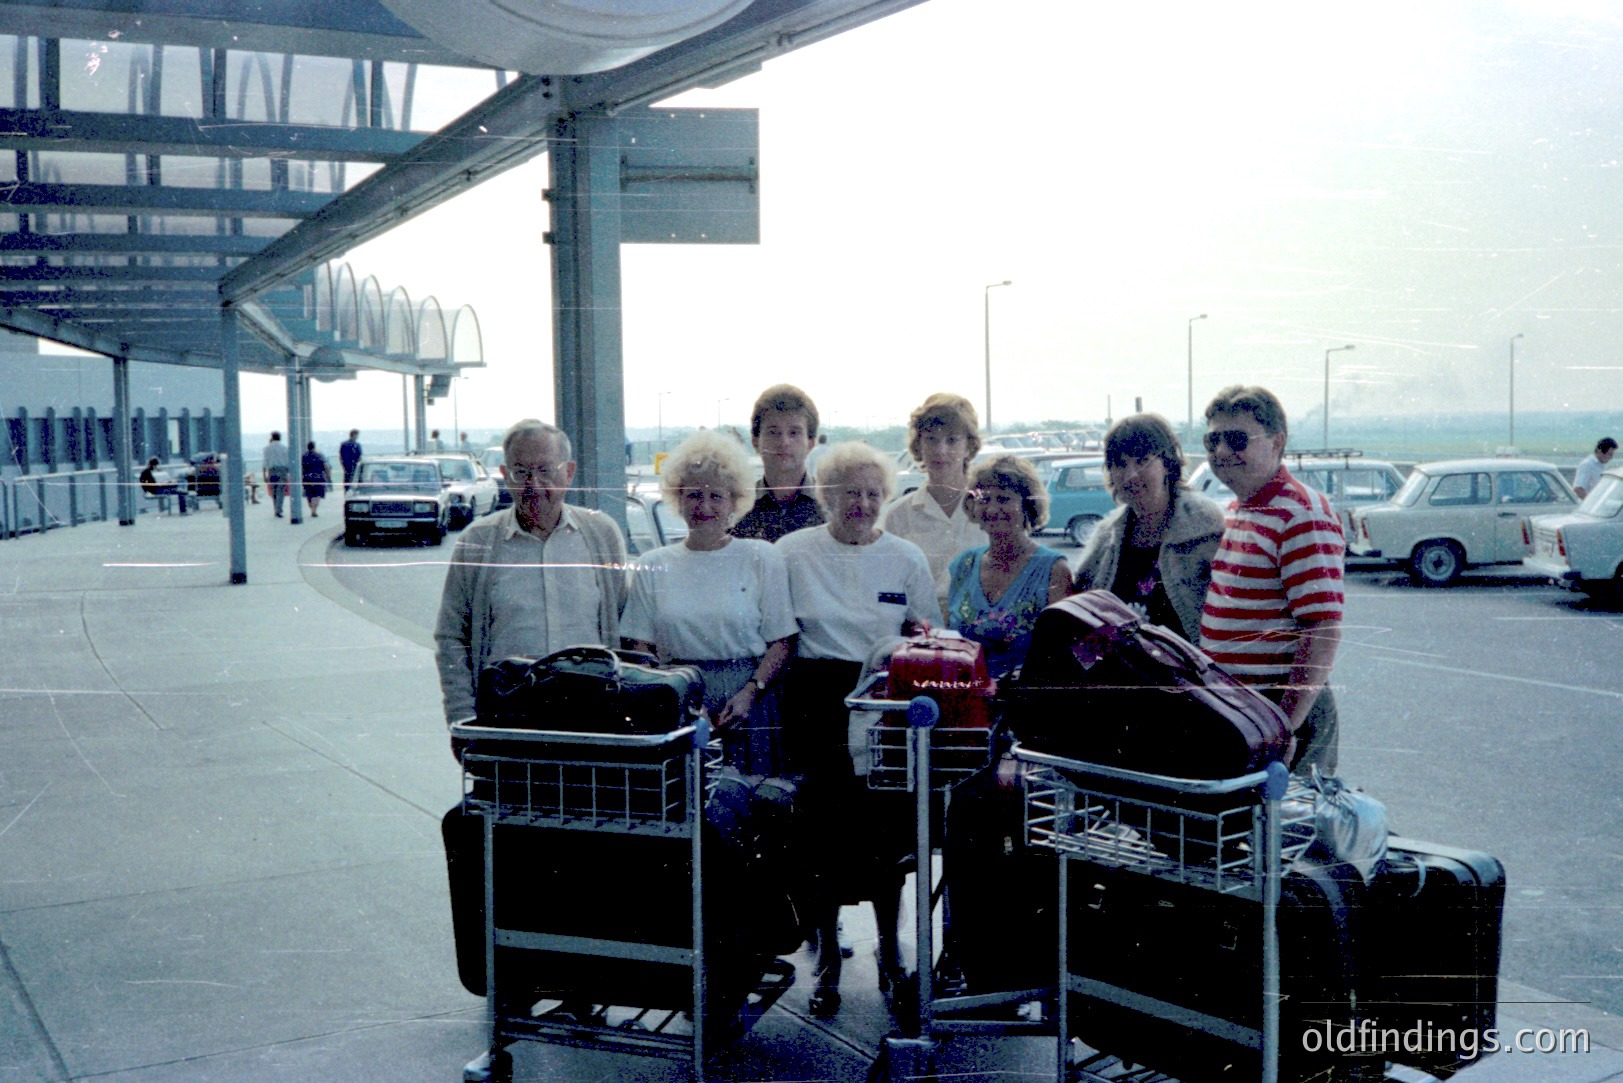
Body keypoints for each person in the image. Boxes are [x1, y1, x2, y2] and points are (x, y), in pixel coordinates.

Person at [777, 441, 941, 1017]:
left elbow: (928, 632)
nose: (863, 503)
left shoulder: (905, 556)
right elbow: (780, 634)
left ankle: (891, 956)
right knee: (819, 838)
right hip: (815, 704)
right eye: (850, 492)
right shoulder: (792, 552)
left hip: (883, 708)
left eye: (874, 493)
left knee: (884, 842)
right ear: (826, 495)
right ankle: (827, 960)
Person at [621, 430, 797, 775]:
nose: (704, 507)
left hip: (749, 701)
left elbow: (782, 640)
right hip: (674, 697)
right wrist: (680, 699)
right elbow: (640, 644)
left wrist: (750, 692)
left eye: (716, 496)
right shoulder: (653, 563)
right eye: (693, 496)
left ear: (734, 501)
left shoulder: (761, 557)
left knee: (750, 802)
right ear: (677, 499)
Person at [434, 418, 629, 728]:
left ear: (568, 473)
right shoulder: (477, 541)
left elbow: (624, 626)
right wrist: (462, 716)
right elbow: (451, 637)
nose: (534, 486)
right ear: (504, 476)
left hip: (593, 712)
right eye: (521, 472)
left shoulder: (602, 533)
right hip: (505, 714)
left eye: (545, 471)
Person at [1198, 386, 1345, 773]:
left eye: (1237, 439)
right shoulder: (1239, 510)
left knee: (1287, 832)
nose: (1222, 452)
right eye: (1213, 440)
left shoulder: (1301, 514)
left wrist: (1284, 727)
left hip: (1280, 718)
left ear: (1277, 442)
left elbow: (1322, 629)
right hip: (1245, 715)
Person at [1072, 414, 1226, 643]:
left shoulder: (1208, 530)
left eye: (1142, 460)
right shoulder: (1105, 539)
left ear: (1167, 463)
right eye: (1120, 464)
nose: (1131, 474)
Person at [946, 455, 1070, 679]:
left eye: (1003, 499)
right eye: (984, 499)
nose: (992, 509)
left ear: (1027, 506)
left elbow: (1061, 655)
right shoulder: (963, 566)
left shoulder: (1054, 570)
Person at [881, 392, 989, 612]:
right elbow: (887, 592)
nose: (941, 450)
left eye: (952, 440)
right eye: (931, 439)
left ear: (968, 446)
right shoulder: (898, 515)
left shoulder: (990, 509)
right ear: (918, 445)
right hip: (921, 636)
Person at [730, 384, 826, 542]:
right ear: (755, 442)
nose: (784, 442)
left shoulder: (832, 508)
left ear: (810, 443)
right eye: (773, 432)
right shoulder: (735, 508)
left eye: (794, 432)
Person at [261, 432, 290, 517]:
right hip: (282, 470)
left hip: (271, 470)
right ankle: (278, 509)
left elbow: (265, 462)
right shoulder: (284, 448)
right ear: (280, 438)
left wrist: (264, 474)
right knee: (281, 490)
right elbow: (287, 461)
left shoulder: (267, 448)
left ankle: (275, 508)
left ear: (272, 438)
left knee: (274, 490)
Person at [301, 441, 330, 518]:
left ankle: (312, 507)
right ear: (314, 447)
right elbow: (325, 466)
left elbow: (302, 467)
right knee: (317, 495)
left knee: (309, 494)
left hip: (307, 477)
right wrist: (328, 475)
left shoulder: (304, 456)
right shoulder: (319, 455)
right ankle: (314, 510)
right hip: (318, 477)